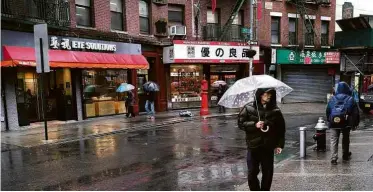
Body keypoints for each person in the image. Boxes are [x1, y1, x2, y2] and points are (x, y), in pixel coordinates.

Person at [238, 88, 286, 191]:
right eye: (267, 94)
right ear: (260, 95)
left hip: (268, 147)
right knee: (252, 172)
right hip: (253, 146)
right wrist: (254, 125)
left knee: (267, 173)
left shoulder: (275, 110)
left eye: (271, 94)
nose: (269, 96)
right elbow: (241, 124)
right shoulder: (248, 108)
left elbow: (281, 129)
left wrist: (279, 144)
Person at [326, 81, 360, 165]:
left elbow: (328, 111)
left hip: (333, 122)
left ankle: (334, 158)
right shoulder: (351, 99)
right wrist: (355, 123)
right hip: (346, 122)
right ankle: (345, 154)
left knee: (334, 139)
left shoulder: (332, 98)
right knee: (345, 138)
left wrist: (329, 120)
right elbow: (355, 113)